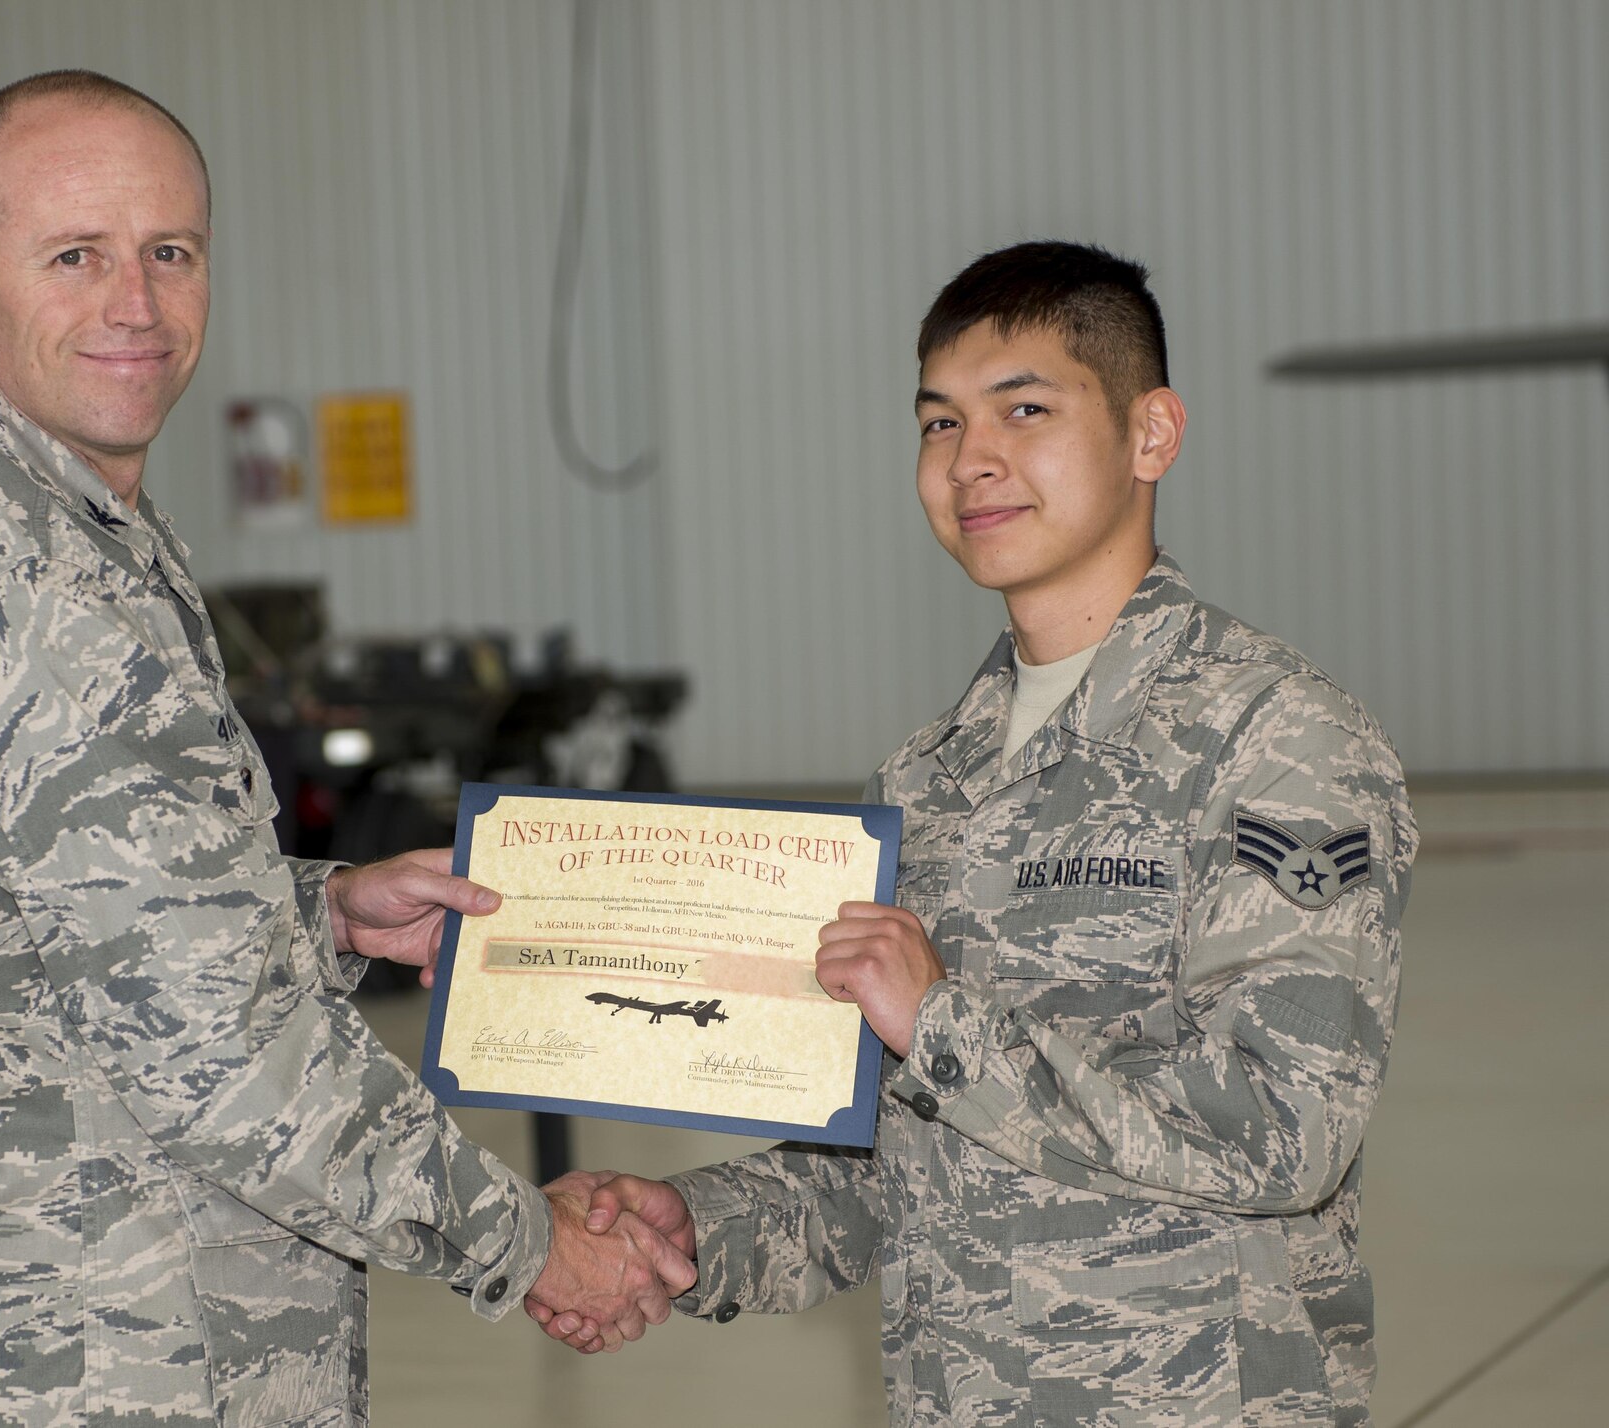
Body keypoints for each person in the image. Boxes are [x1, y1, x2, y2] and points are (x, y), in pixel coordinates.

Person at [0, 69, 690, 1428]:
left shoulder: (69, 530)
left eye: (171, 251)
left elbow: (72, 925)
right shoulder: (33, 584)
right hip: (98, 1362)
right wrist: (533, 1245)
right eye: (74, 256)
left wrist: (322, 909)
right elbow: (225, 1062)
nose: (136, 305)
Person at [533, 241, 1417, 1427]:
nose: (972, 460)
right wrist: (692, 1230)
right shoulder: (926, 780)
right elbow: (893, 1168)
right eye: (938, 424)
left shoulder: (1273, 742)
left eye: (1025, 410)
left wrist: (939, 1018)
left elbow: (1281, 1131)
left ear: (1150, 435)